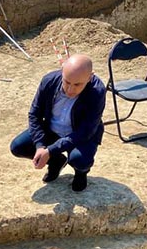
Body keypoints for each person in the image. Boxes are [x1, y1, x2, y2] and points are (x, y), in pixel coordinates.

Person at [9, 54, 106, 192]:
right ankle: (56, 161)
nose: (70, 90)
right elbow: (34, 114)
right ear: (62, 71)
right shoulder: (48, 81)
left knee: (80, 160)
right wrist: (40, 146)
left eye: (77, 84)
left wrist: (50, 150)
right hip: (52, 129)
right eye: (66, 82)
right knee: (18, 147)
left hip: (79, 134)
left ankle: (81, 173)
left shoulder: (97, 92)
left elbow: (85, 131)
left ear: (90, 77)